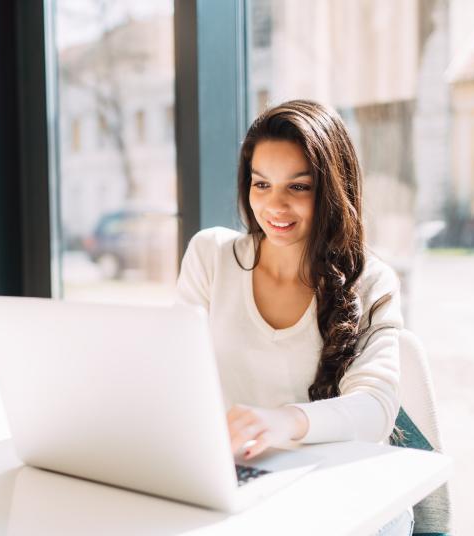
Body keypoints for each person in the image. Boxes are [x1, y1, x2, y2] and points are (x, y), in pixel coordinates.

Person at [176, 100, 412, 535]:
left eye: (298, 187)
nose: (275, 206)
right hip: (239, 479)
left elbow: (376, 410)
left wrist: (284, 420)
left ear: (333, 189)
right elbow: (175, 372)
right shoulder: (211, 256)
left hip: (338, 489)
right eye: (261, 184)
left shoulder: (372, 281)